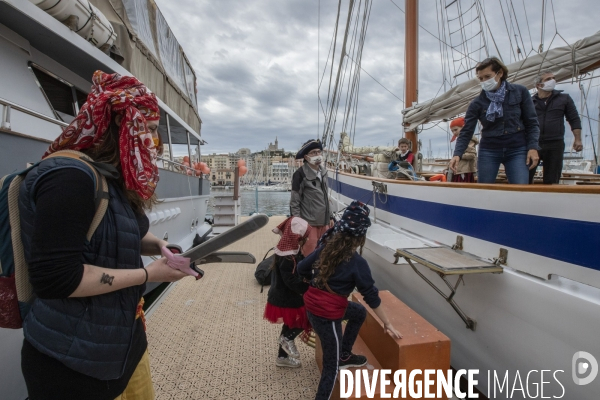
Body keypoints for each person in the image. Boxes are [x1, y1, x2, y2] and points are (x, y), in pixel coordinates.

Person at [18, 71, 194, 400]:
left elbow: (131, 232)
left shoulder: (110, 178)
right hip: (72, 365)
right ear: (121, 123)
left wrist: (160, 246)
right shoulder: (69, 178)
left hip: (120, 348)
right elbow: (58, 279)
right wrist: (148, 273)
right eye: (151, 130)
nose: (154, 144)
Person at [297, 201, 402, 400]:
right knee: (331, 368)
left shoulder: (325, 249)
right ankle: (338, 361)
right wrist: (387, 324)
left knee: (358, 312)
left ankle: (344, 354)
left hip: (313, 308)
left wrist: (317, 285)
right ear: (361, 236)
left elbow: (302, 268)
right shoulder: (357, 263)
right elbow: (371, 296)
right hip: (327, 316)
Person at [449, 57, 540, 184]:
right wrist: (457, 154)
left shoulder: (520, 92)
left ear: (500, 73)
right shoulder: (477, 103)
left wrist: (533, 147)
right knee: (484, 190)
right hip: (489, 150)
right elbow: (466, 131)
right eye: (481, 79)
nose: (484, 81)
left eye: (487, 76)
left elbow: (532, 123)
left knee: (520, 188)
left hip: (517, 148)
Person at [263, 217, 312, 368]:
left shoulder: (286, 251)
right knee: (306, 319)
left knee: (288, 324)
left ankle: (282, 357)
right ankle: (287, 339)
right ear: (297, 237)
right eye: (304, 237)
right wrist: (309, 289)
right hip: (287, 298)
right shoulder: (288, 257)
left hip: (283, 296)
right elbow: (290, 281)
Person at [528, 70, 583, 184]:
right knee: (525, 176)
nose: (553, 81)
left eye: (553, 78)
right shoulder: (529, 102)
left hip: (555, 144)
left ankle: (549, 200)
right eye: (548, 79)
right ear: (539, 85)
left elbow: (574, 119)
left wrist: (578, 139)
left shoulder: (564, 99)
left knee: (552, 179)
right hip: (533, 144)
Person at [290, 139, 331, 256]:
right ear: (306, 157)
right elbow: (294, 202)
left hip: (324, 222)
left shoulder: (323, 172)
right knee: (309, 255)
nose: (318, 155)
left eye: (319, 152)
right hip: (309, 224)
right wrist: (298, 224)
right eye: (314, 153)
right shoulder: (299, 174)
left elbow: (324, 196)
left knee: (325, 254)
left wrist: (330, 216)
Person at [449, 117, 478, 183]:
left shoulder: (469, 140)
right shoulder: (460, 142)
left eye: (456, 130)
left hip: (464, 171)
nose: (454, 132)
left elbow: (472, 155)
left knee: (462, 190)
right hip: (460, 170)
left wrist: (459, 156)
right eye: (452, 131)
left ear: (463, 127)